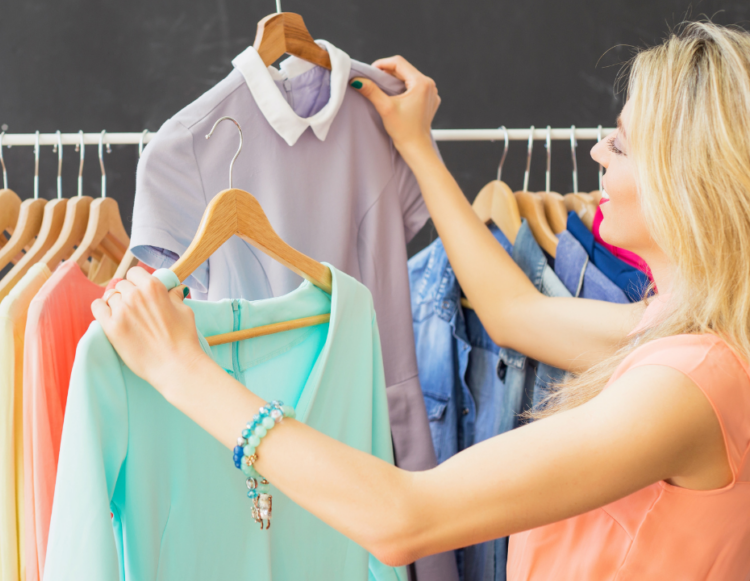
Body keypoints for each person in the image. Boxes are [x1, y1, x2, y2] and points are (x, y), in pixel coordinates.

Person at [92, 21, 750, 579]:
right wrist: (415, 145)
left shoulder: (687, 385)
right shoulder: (685, 332)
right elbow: (512, 314)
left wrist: (183, 369)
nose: (597, 150)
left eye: (624, 143)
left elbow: (405, 517)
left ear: (686, 181)